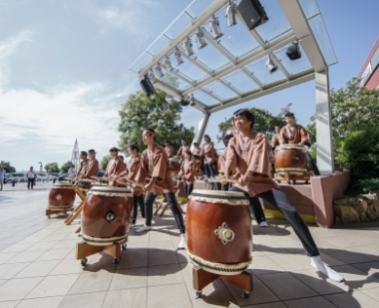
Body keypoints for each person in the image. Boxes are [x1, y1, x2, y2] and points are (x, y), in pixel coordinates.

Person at [224, 109, 344, 282]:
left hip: (263, 183)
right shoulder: (233, 142)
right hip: (241, 185)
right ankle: (225, 253)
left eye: (240, 118)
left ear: (249, 121)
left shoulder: (260, 138)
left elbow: (258, 162)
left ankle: (316, 259)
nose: (236, 121)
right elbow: (229, 165)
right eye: (234, 119)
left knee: (292, 212)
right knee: (220, 208)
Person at [135, 128, 186, 249]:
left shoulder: (160, 151)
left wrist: (149, 184)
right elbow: (142, 170)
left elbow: (158, 170)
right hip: (154, 183)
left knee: (173, 205)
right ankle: (147, 224)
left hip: (165, 181)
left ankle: (183, 235)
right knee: (147, 202)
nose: (143, 138)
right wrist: (137, 183)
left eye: (145, 135)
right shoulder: (145, 153)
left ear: (152, 136)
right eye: (142, 136)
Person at [119, 143, 146, 225]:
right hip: (131, 183)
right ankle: (144, 214)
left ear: (134, 150)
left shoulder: (140, 159)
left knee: (133, 202)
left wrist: (130, 179)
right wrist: (119, 176)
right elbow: (127, 171)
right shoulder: (131, 160)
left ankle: (133, 220)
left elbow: (138, 172)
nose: (129, 152)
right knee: (140, 199)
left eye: (129, 150)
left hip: (137, 182)